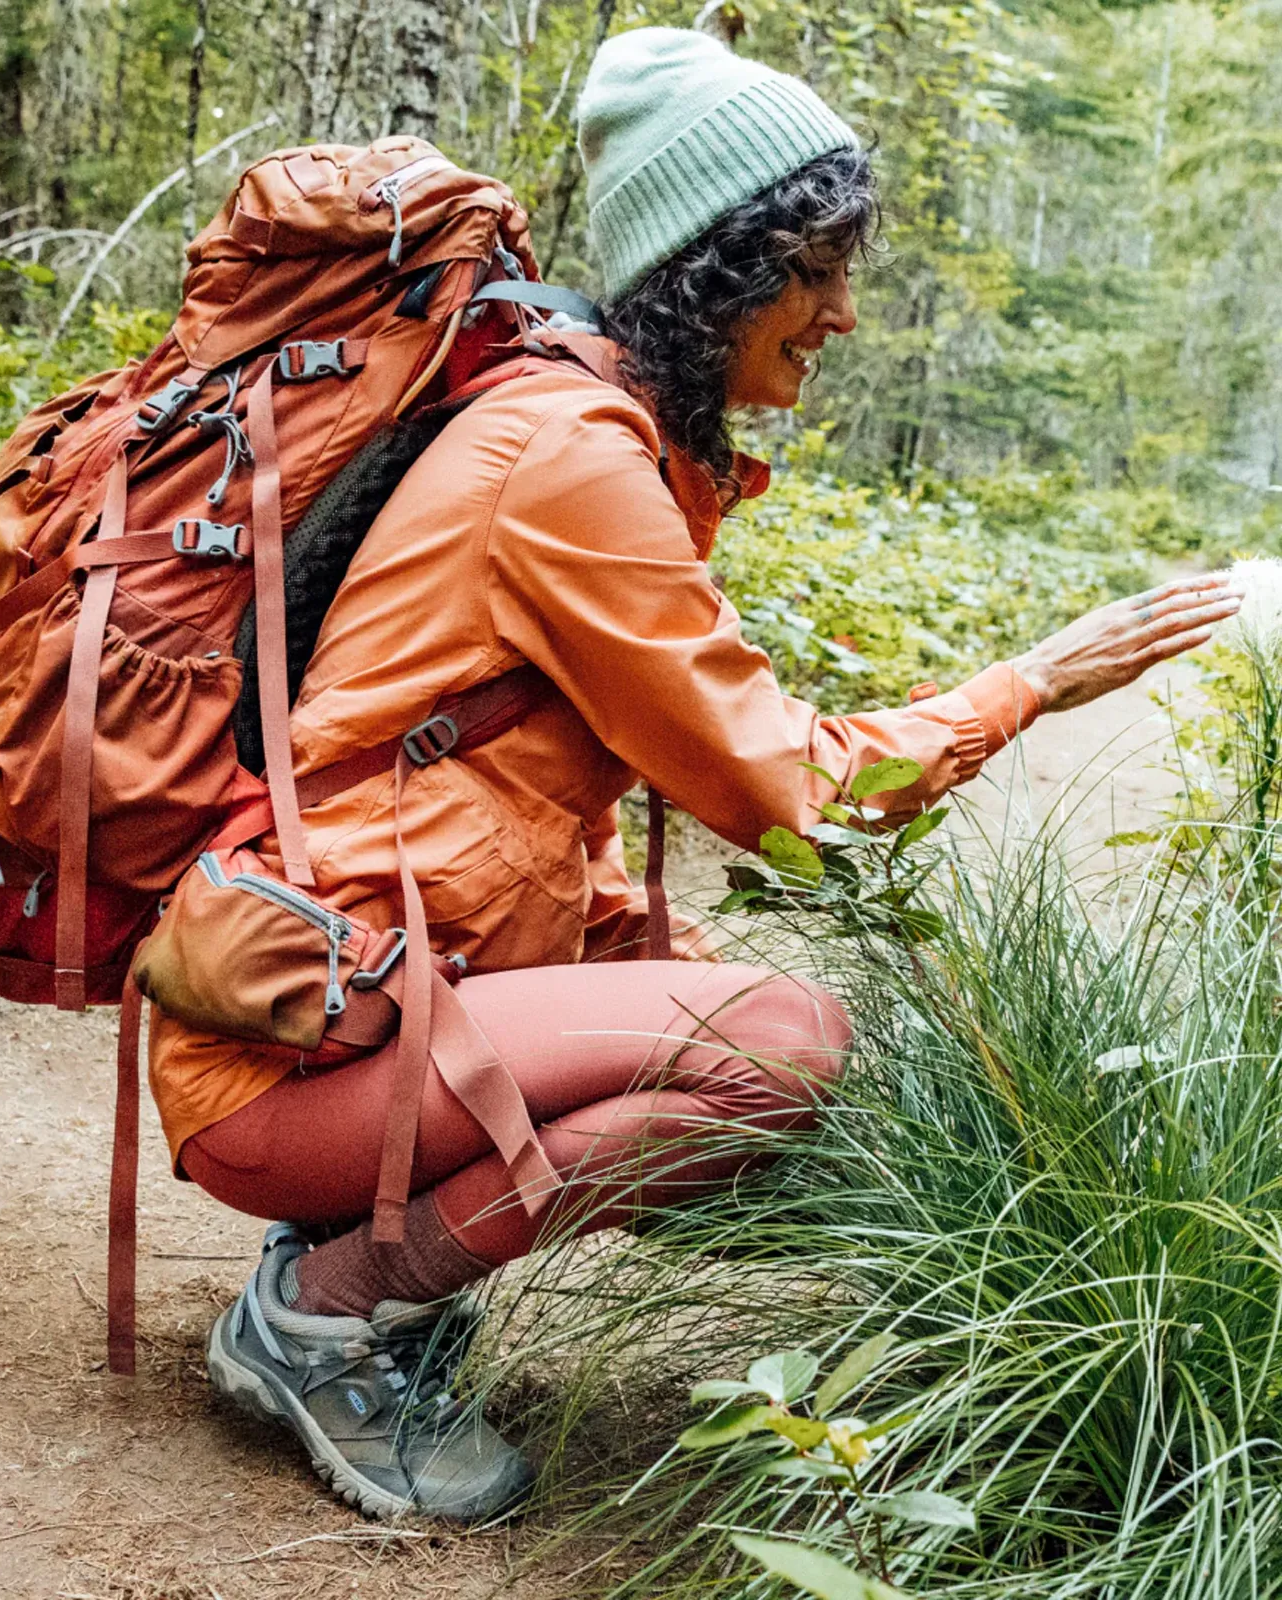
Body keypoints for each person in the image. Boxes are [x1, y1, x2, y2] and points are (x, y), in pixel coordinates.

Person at [148, 27, 1241, 1522]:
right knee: (779, 1046)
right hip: (288, 1056)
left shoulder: (597, 435)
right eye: (817, 268)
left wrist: (653, 967)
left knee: (740, 1040)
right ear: (717, 265)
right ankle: (324, 1317)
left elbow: (528, 807)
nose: (845, 312)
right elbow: (787, 792)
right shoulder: (568, 457)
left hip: (356, 1009)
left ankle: (353, 1264)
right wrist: (1032, 684)